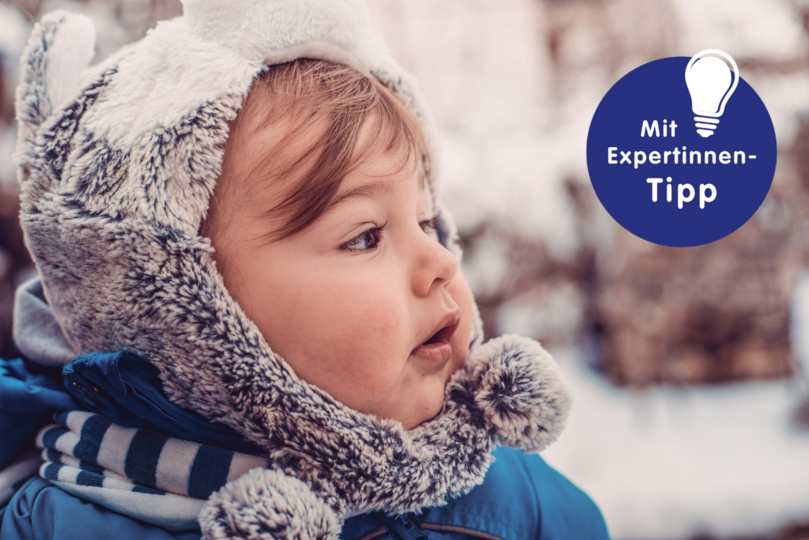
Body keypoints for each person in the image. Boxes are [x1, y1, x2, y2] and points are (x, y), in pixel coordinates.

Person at [0, 1, 611, 538]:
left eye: (427, 223)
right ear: (190, 320)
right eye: (365, 237)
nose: (442, 261)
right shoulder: (58, 523)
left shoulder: (504, 501)